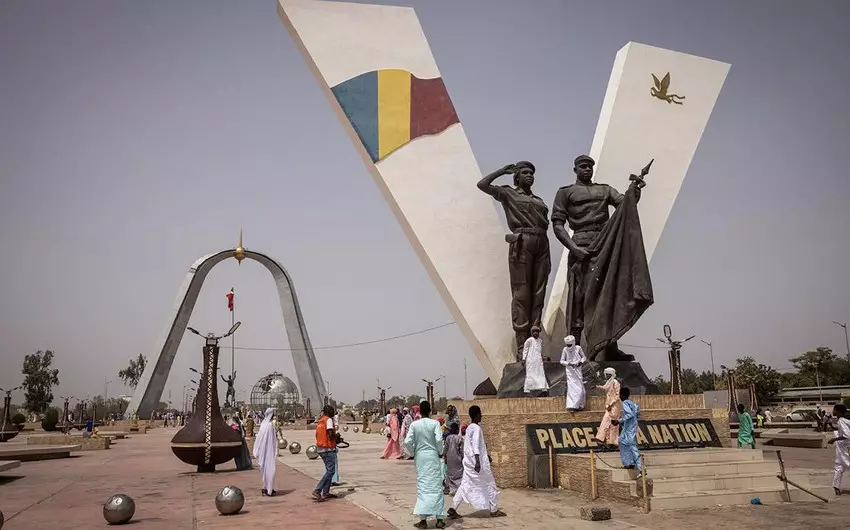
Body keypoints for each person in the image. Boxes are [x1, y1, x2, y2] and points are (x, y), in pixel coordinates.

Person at [550, 154, 650, 362]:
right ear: (575, 169)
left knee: (608, 295)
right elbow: (557, 225)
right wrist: (573, 248)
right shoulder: (565, 192)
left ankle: (610, 347)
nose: (587, 169)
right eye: (583, 166)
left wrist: (635, 191)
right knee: (578, 299)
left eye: (590, 166)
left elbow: (625, 205)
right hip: (581, 246)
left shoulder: (605, 190)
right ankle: (575, 348)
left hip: (605, 246)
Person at [477, 161, 551, 358]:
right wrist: (502, 171)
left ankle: (535, 345)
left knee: (538, 294)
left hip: (542, 242)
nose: (530, 175)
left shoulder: (538, 200)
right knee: (522, 294)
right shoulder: (508, 193)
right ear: (517, 176)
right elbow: (482, 185)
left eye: (532, 173)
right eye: (525, 172)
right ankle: (522, 348)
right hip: (522, 241)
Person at [448, 405, 506, 520]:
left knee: (465, 485)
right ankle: (494, 510)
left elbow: (476, 445)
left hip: (469, 462)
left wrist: (486, 455)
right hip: (477, 463)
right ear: (477, 415)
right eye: (480, 414)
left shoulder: (469, 428)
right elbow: (475, 445)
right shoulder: (477, 429)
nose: (482, 416)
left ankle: (453, 508)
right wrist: (478, 461)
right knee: (490, 483)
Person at [403, 400, 447, 529]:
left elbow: (407, 441)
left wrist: (413, 453)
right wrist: (440, 452)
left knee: (423, 486)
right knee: (437, 486)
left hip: (421, 457)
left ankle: (423, 520)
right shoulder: (434, 424)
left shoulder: (415, 425)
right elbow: (439, 440)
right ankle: (439, 519)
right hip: (433, 456)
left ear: (420, 411)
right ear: (429, 410)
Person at [313, 405, 339, 501]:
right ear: (329, 412)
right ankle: (317, 490)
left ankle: (326, 492)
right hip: (328, 449)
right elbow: (330, 433)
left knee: (329, 470)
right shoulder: (328, 420)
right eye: (332, 411)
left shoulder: (321, 420)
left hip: (320, 448)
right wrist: (336, 438)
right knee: (331, 471)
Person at [614, 387, 641, 475]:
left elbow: (630, 414)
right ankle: (629, 463)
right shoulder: (631, 403)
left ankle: (640, 468)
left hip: (629, 430)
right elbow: (636, 412)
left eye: (619, 395)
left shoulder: (625, 403)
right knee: (622, 441)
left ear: (622, 395)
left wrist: (619, 421)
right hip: (629, 428)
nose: (619, 397)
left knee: (631, 446)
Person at [252, 408, 278, 496]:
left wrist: (256, 450)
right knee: (270, 471)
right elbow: (273, 440)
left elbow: (258, 439)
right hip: (269, 452)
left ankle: (266, 487)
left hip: (263, 452)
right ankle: (269, 490)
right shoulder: (270, 425)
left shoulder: (263, 424)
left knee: (264, 471)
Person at [595, 367, 621, 446]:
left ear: (610, 374)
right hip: (609, 406)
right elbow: (605, 387)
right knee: (606, 422)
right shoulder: (609, 382)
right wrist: (597, 386)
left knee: (612, 424)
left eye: (607, 374)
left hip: (614, 406)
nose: (605, 376)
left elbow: (617, 395)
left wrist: (611, 404)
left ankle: (612, 442)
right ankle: (603, 439)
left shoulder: (615, 382)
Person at [828, 403, 850, 496]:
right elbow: (842, 430)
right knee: (839, 466)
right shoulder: (845, 421)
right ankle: (836, 487)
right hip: (843, 447)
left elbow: (846, 435)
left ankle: (836, 487)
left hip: (845, 448)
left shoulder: (841, 421)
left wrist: (834, 439)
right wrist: (832, 427)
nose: (833, 411)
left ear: (838, 411)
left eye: (834, 409)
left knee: (842, 465)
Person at [560, 335, 587, 411]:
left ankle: (580, 405)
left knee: (580, 388)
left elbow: (584, 357)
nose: (569, 346)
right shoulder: (565, 349)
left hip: (578, 370)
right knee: (572, 388)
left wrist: (580, 363)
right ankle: (572, 406)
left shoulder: (578, 348)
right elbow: (561, 361)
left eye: (570, 345)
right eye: (567, 345)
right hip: (570, 371)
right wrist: (569, 363)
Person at [522, 326, 549, 396]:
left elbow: (539, 351)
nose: (535, 333)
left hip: (538, 360)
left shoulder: (540, 341)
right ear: (532, 333)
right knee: (530, 375)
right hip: (530, 360)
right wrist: (523, 359)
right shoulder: (529, 340)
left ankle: (544, 390)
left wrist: (544, 357)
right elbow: (525, 350)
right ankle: (527, 391)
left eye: (537, 332)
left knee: (541, 374)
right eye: (534, 332)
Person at [443, 422, 464, 495]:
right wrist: (463, 458)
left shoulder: (448, 438)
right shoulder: (459, 438)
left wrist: (445, 457)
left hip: (449, 458)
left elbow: (445, 449)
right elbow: (461, 450)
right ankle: (457, 489)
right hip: (457, 458)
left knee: (450, 473)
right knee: (458, 473)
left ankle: (449, 488)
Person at [331, 410, 342, 485]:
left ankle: (332, 480)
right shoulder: (329, 421)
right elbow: (331, 435)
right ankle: (332, 480)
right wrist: (336, 437)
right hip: (330, 447)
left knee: (329, 466)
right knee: (332, 465)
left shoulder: (323, 421)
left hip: (326, 447)